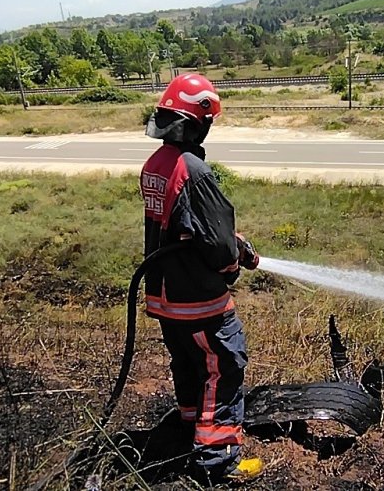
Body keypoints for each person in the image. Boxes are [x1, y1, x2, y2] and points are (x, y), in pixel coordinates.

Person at [139, 73, 263, 484]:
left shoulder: (156, 164)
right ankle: (217, 458)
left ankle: (190, 428)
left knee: (190, 365)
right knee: (223, 364)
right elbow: (219, 248)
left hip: (165, 295)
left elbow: (181, 227)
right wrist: (233, 261)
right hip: (198, 299)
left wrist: (226, 242)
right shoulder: (194, 169)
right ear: (199, 121)